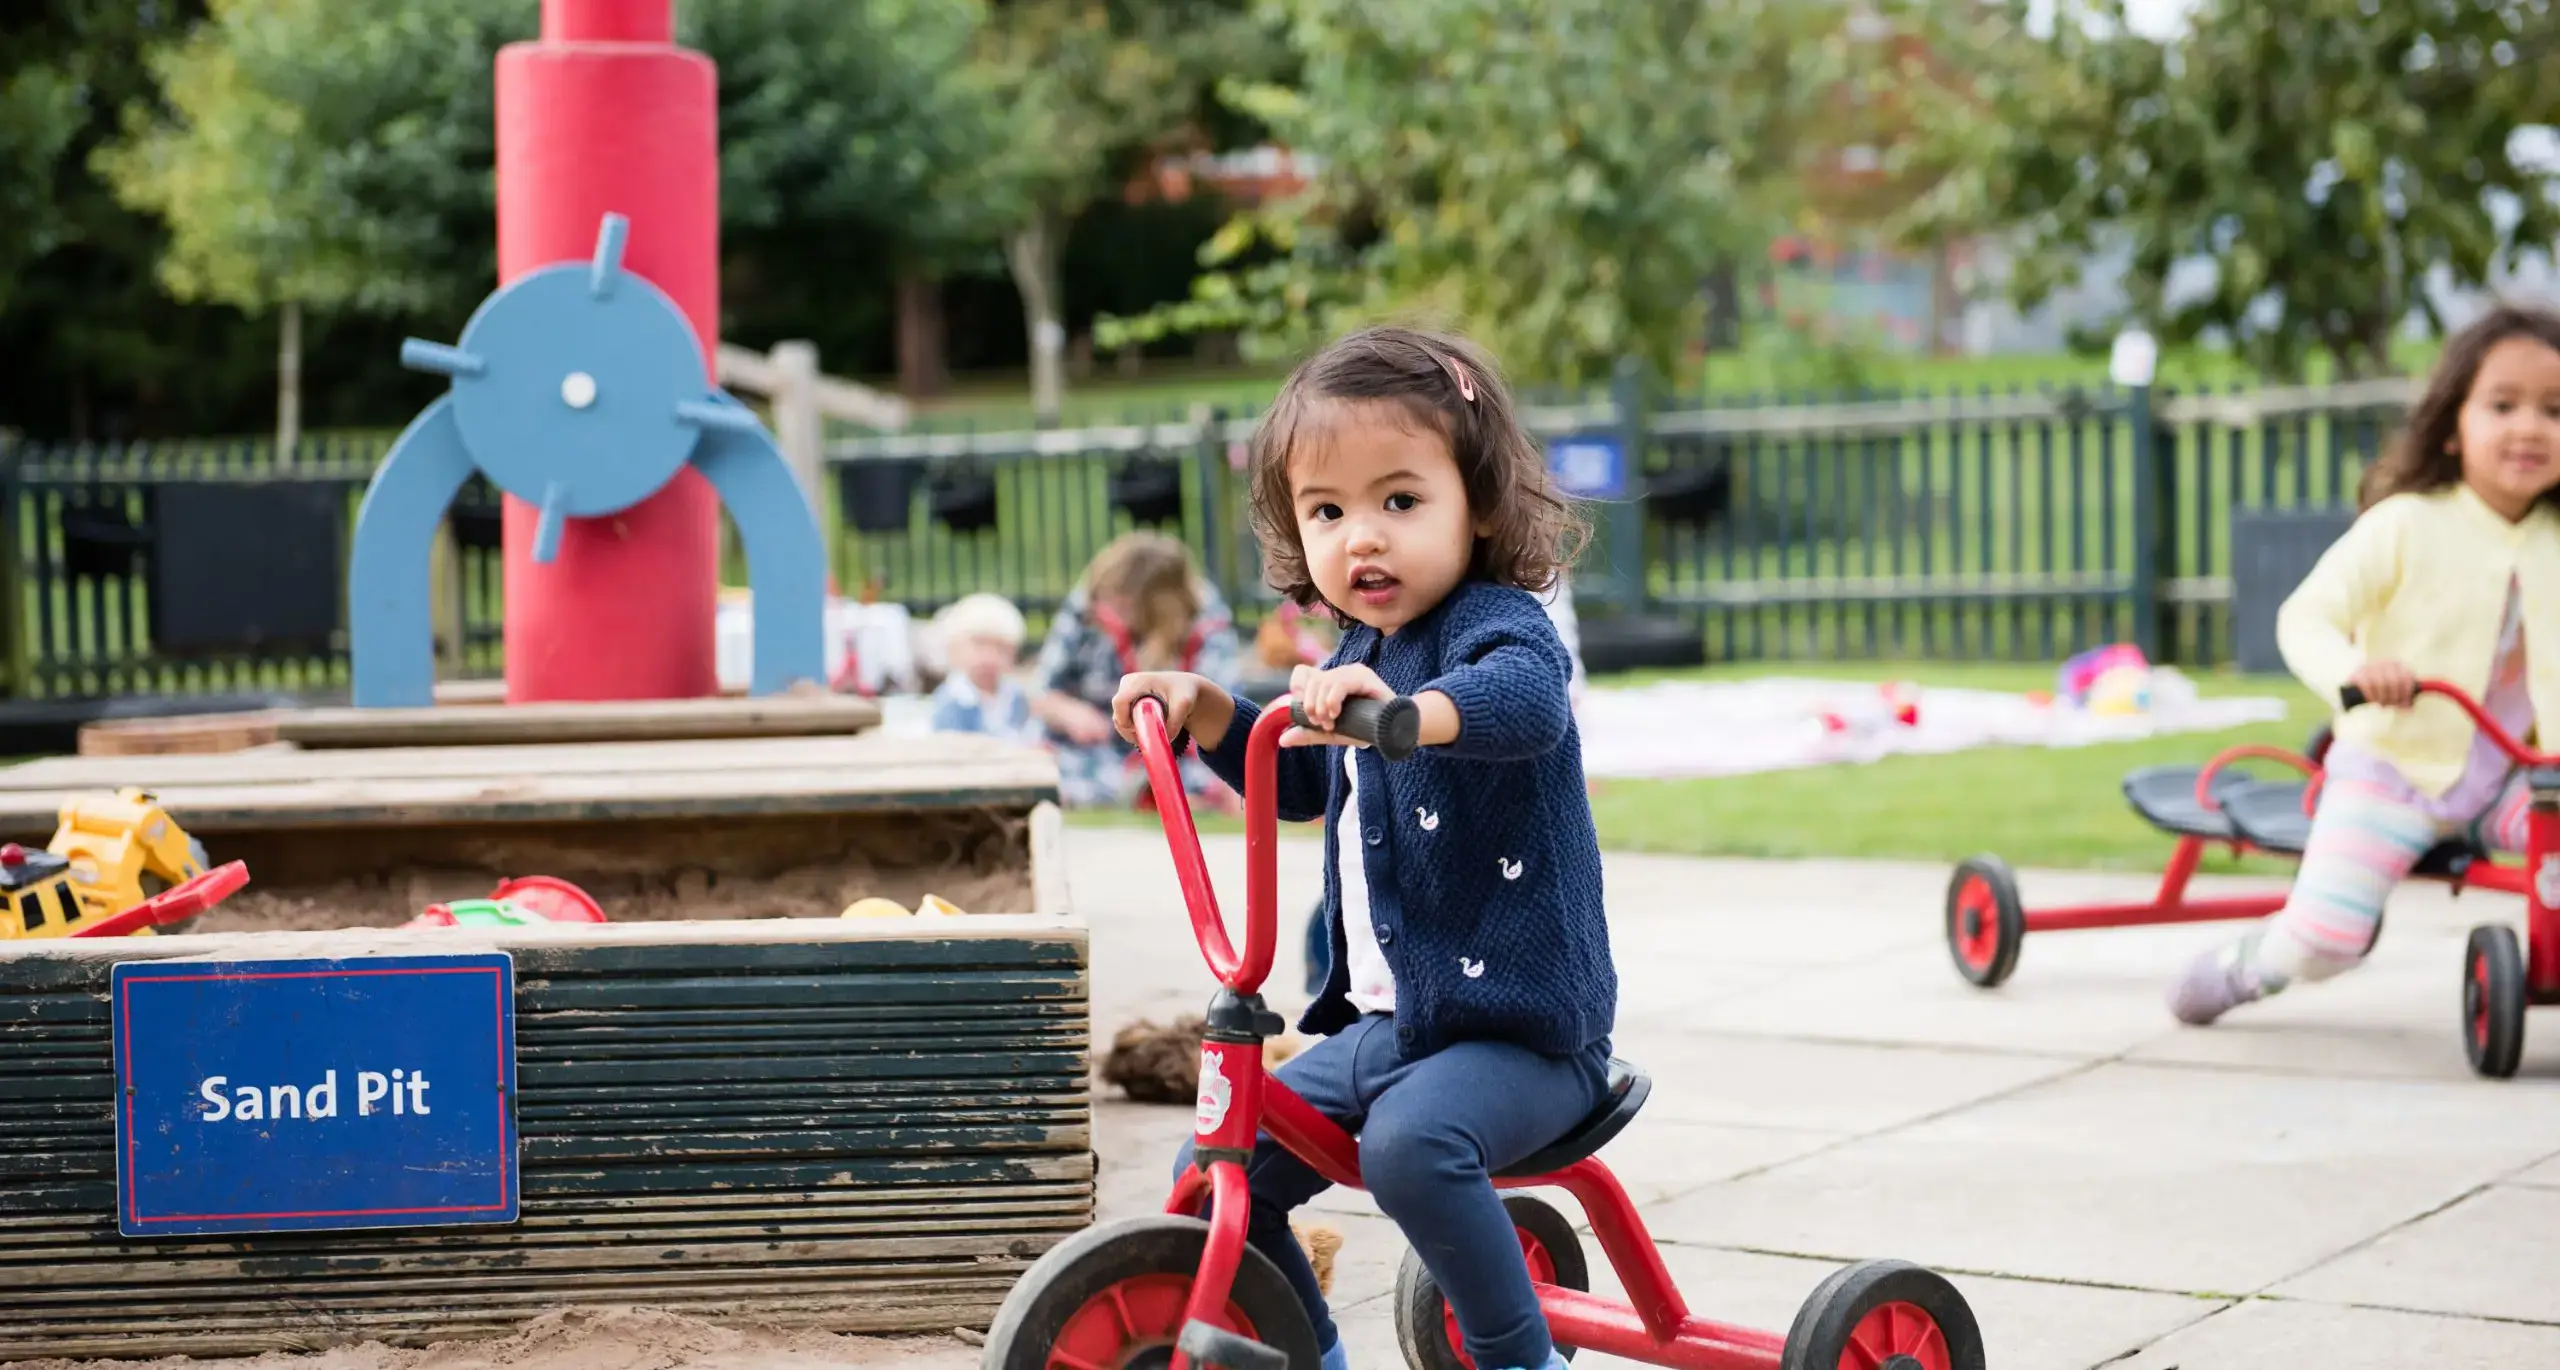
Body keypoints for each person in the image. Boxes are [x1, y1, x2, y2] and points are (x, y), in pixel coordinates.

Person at [1109, 325, 1614, 1370]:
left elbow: (1526, 705)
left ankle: (1524, 1359)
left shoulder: (1497, 626)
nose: (1362, 539)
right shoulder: (1355, 651)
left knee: (1410, 1146)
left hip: (1527, 1035)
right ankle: (1311, 1351)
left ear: (1476, 504)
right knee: (1224, 1160)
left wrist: (1412, 710)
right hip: (1401, 1026)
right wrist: (1207, 708)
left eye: (1399, 500)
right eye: (1327, 511)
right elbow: (1296, 775)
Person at [2171, 303, 2560, 1025]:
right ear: (2452, 425)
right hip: (2396, 774)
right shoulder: (2408, 524)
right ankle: (2246, 965)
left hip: (2517, 778)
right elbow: (2306, 617)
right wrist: (2357, 671)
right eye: (2503, 405)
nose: (2531, 427)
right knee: (2327, 941)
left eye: (2555, 409)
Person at [1033, 531, 1245, 809]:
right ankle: (1153, 795)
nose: (1107, 611)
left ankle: (1165, 793)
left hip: (1180, 749)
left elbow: (1223, 712)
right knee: (1045, 762)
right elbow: (1042, 693)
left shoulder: (1206, 623)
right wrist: (1069, 712)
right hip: (1096, 750)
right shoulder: (1087, 605)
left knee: (1218, 773)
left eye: (1122, 604)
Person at [926, 593, 1042, 746]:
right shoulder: (953, 700)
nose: (989, 657)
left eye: (1001, 649)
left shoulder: (1016, 696)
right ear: (956, 648)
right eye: (980, 646)